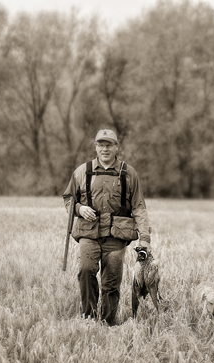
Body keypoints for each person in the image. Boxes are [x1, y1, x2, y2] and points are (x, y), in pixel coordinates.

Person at [63, 129, 151, 326]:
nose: (105, 149)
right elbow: (68, 198)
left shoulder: (128, 173)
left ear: (116, 147)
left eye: (109, 145)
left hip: (116, 236)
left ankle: (108, 323)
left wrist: (144, 238)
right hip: (89, 233)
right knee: (86, 271)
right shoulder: (81, 171)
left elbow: (139, 207)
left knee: (111, 281)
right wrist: (79, 208)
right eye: (101, 145)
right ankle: (88, 319)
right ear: (95, 147)